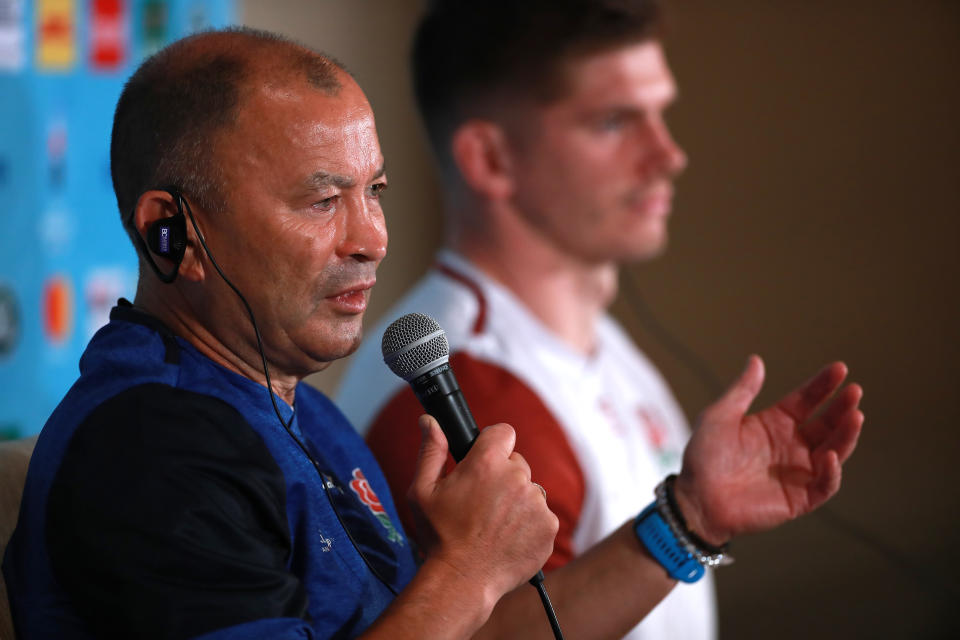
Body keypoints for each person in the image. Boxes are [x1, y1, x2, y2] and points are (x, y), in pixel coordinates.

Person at [2, 23, 862, 640]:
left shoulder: (300, 411)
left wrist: (688, 520)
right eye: (321, 199)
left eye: (372, 192)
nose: (371, 237)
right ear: (172, 233)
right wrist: (469, 568)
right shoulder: (149, 450)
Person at [336, 2, 862, 639]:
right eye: (615, 122)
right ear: (491, 159)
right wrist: (685, 523)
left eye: (660, 114)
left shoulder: (598, 348)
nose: (668, 155)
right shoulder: (469, 387)